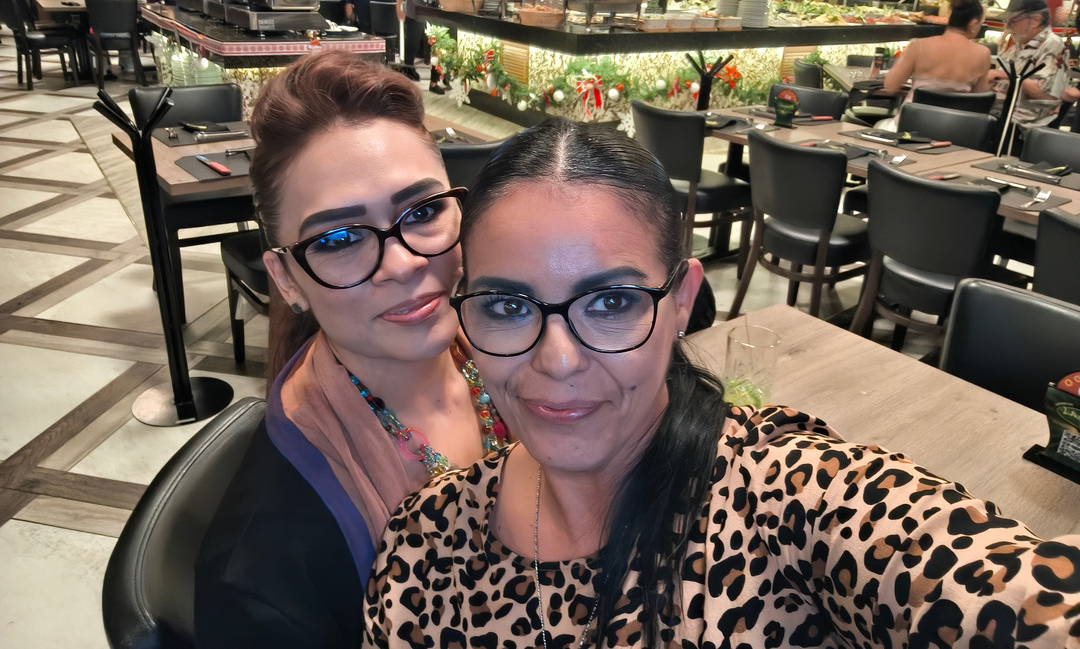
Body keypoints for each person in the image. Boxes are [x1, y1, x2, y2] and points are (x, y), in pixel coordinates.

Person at [364, 117, 1080, 648]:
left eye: (610, 302)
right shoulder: (426, 544)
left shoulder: (791, 498)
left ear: (681, 303)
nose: (557, 361)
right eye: (507, 306)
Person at [194, 52, 507, 647]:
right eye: (339, 238)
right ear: (287, 280)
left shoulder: (513, 357)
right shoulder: (267, 576)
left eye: (423, 211)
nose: (404, 262)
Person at [883, 0, 992, 104]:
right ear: (974, 23)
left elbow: (890, 86)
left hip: (914, 114)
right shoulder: (983, 54)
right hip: (956, 116)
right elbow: (979, 95)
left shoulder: (918, 46)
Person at [988, 0, 1073, 127]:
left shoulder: (1052, 44)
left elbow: (1047, 94)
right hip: (1000, 113)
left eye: (1013, 21)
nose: (1008, 26)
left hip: (1024, 122)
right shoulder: (1019, 42)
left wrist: (1004, 75)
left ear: (1036, 20)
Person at [87, 0, 135, 77]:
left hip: (100, 31)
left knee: (85, 32)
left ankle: (102, 68)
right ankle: (128, 64)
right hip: (125, 31)